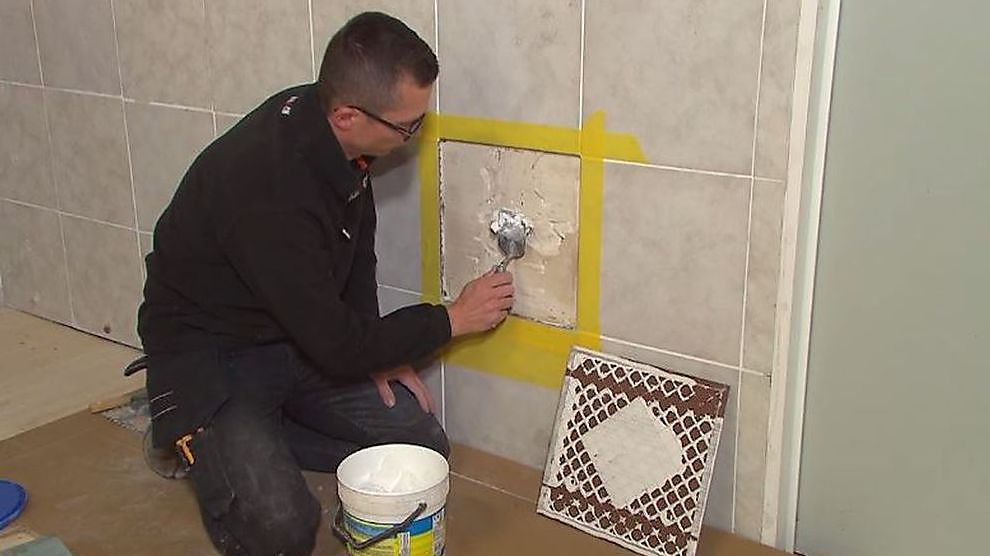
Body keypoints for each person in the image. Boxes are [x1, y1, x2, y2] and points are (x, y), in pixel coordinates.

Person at [136, 12, 513, 555]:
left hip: (294, 336)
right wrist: (452, 319)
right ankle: (195, 435)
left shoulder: (333, 134)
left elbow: (355, 254)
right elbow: (337, 345)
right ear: (347, 115)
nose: (413, 137)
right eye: (407, 127)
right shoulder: (267, 191)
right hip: (214, 354)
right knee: (283, 529)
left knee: (420, 444)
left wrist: (378, 352)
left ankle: (261, 436)